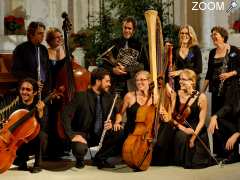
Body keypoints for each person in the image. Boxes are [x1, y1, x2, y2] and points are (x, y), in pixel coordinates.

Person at [61, 68, 121, 169]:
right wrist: (72, 135)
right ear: (97, 81)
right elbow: (65, 115)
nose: (109, 84)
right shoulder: (81, 96)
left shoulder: (109, 97)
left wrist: (113, 123)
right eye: (107, 81)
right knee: (80, 148)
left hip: (101, 133)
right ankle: (80, 159)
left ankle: (100, 158)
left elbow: (115, 115)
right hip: (83, 134)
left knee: (119, 132)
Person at [158, 69, 211, 168]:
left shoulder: (201, 97)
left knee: (195, 161)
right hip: (179, 125)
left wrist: (193, 138)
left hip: (195, 127)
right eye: (180, 79)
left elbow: (202, 122)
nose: (180, 81)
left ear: (192, 82)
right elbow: (171, 117)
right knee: (176, 134)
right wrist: (183, 128)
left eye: (184, 79)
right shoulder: (175, 94)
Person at [103, 17, 148, 99]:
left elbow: (142, 66)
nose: (127, 30)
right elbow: (104, 64)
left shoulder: (140, 45)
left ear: (133, 31)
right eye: (125, 28)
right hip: (114, 82)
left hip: (132, 82)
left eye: (129, 28)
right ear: (122, 28)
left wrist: (126, 69)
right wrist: (113, 70)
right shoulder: (113, 43)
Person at [202, 26, 240, 115]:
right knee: (216, 116)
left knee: (228, 115)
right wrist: (202, 91)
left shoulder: (234, 50)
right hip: (216, 89)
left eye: (215, 34)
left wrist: (230, 74)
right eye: (212, 35)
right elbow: (209, 73)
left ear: (223, 36)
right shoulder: (212, 52)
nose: (212, 36)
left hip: (230, 89)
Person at [12, 78, 45, 173]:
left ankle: (37, 164)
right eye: (22, 89)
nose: (24, 92)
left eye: (28, 89)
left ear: (35, 93)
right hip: (22, 139)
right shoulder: (16, 107)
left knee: (41, 135)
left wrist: (41, 113)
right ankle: (22, 161)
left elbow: (43, 126)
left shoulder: (40, 106)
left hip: (35, 138)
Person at [45, 27, 68, 159]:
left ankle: (62, 147)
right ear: (50, 40)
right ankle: (50, 150)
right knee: (52, 119)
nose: (60, 39)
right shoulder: (46, 52)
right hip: (51, 89)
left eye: (61, 37)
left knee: (62, 117)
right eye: (57, 37)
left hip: (62, 90)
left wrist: (61, 52)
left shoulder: (63, 51)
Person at [11, 21, 50, 96]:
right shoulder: (21, 49)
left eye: (43, 33)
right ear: (31, 34)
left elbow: (47, 70)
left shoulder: (43, 49)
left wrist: (48, 87)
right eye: (39, 33)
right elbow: (15, 71)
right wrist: (33, 81)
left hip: (44, 88)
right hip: (28, 89)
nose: (43, 36)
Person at [208, 78, 240, 163]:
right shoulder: (236, 93)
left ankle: (233, 154)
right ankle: (227, 153)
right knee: (218, 122)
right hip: (238, 126)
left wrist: (237, 134)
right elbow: (228, 107)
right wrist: (215, 116)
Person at [169, 25, 202, 90]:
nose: (184, 35)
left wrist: (180, 72)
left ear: (191, 35)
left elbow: (198, 69)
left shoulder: (195, 49)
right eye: (182, 33)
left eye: (187, 33)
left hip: (192, 84)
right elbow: (169, 67)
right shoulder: (175, 49)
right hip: (179, 83)